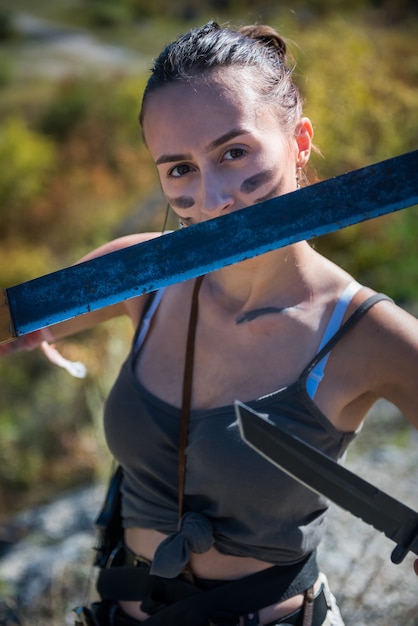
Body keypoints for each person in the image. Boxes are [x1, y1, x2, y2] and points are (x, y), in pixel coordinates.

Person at [1, 21, 418, 626]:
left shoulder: (365, 332)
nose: (215, 196)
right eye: (179, 169)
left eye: (234, 152)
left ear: (299, 142)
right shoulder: (138, 274)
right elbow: (14, 328)